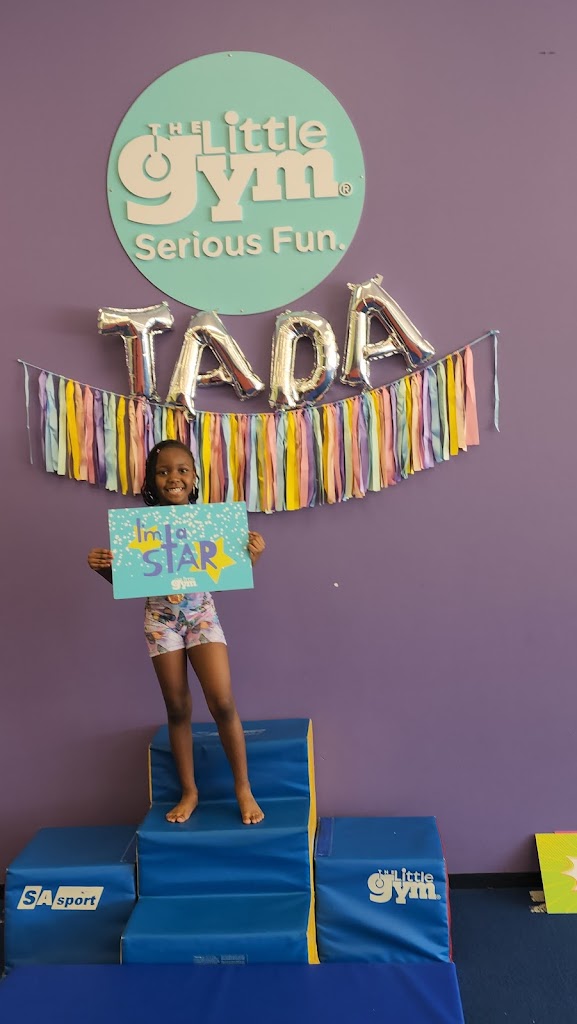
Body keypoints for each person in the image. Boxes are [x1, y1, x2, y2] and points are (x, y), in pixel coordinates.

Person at [87, 439, 265, 826]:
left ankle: (243, 787)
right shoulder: (139, 530)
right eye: (164, 471)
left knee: (222, 701)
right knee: (178, 707)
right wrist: (104, 568)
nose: (173, 477)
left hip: (201, 615)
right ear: (152, 480)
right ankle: (189, 791)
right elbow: (128, 581)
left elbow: (227, 572)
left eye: (182, 470)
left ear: (194, 477)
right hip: (160, 620)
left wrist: (250, 556)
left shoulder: (209, 524)